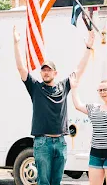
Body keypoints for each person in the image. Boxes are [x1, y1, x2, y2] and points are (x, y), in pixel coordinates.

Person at [13, 26, 95, 185]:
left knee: (56, 182)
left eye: (49, 70)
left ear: (55, 73)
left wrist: (89, 48)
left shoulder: (63, 86)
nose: (45, 73)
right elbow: (21, 68)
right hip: (42, 143)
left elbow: (79, 70)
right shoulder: (35, 87)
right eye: (43, 70)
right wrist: (16, 43)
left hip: (60, 142)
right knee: (44, 182)